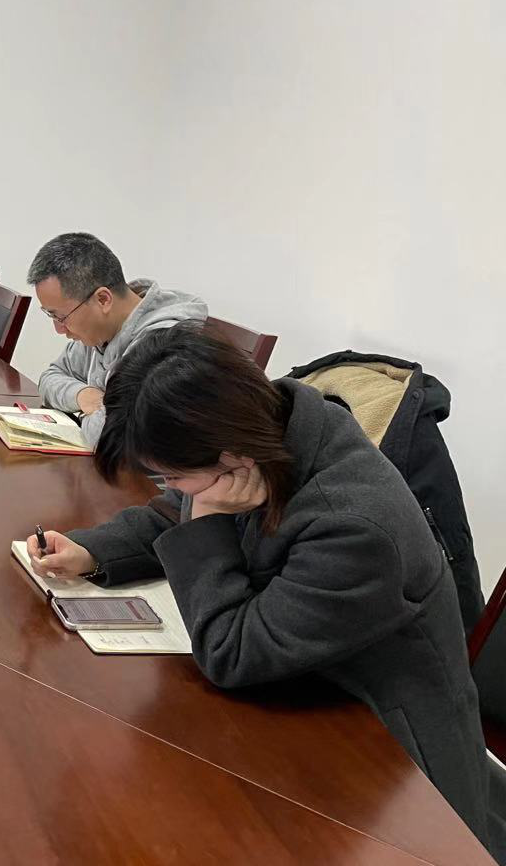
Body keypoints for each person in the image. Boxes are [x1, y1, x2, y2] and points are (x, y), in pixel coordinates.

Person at [29, 325, 506, 859]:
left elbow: (232, 652)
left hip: (390, 772)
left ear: (232, 460)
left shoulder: (355, 527)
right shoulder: (263, 432)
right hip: (303, 700)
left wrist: (206, 518)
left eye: (172, 476)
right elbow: (178, 509)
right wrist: (92, 550)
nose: (171, 488)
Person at [26, 232, 205, 446]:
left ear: (103, 299)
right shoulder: (99, 331)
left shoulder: (163, 343)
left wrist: (93, 412)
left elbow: (110, 436)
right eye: (52, 316)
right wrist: (84, 395)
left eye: (61, 317)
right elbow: (50, 376)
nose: (58, 329)